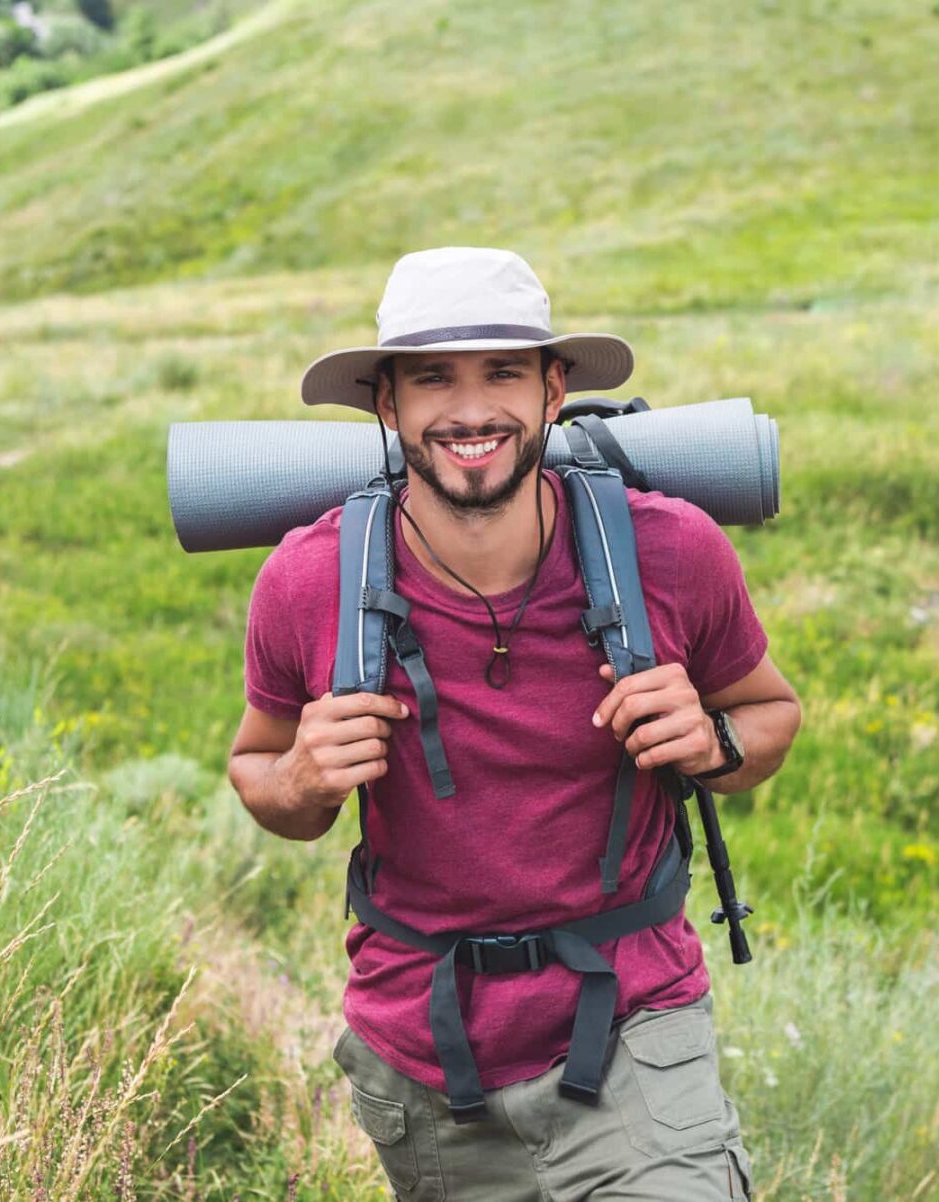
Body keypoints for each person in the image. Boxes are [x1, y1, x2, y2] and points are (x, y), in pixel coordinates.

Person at [225, 247, 802, 1201]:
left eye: (502, 372)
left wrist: (713, 742)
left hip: (635, 1026)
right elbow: (257, 770)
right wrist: (298, 781)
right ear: (386, 403)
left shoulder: (670, 550)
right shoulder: (307, 580)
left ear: (552, 390)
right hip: (424, 1059)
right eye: (432, 378)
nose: (470, 410)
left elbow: (771, 710)